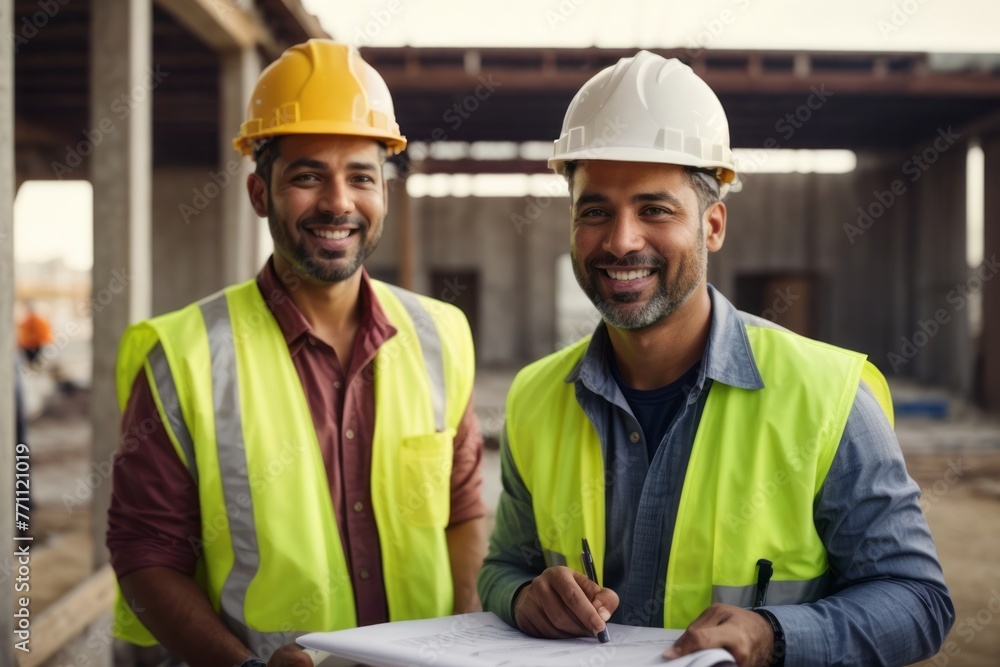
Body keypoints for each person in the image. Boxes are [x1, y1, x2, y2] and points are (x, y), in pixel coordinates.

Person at [478, 51, 954, 667]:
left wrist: (774, 636)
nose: (621, 240)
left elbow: (917, 602)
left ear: (713, 225)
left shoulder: (825, 396)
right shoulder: (535, 397)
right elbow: (503, 567)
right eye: (594, 210)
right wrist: (520, 597)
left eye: (655, 209)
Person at [107, 40, 487, 667]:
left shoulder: (441, 334)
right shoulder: (184, 353)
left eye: (361, 177)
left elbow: (464, 508)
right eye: (308, 176)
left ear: (383, 194)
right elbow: (145, 551)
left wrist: (462, 636)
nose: (339, 202)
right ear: (260, 194)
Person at [17, 301, 53, 365]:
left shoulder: (36, 321)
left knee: (33, 359)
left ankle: (34, 365)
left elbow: (44, 331)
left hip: (34, 344)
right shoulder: (28, 322)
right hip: (30, 345)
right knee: (32, 360)